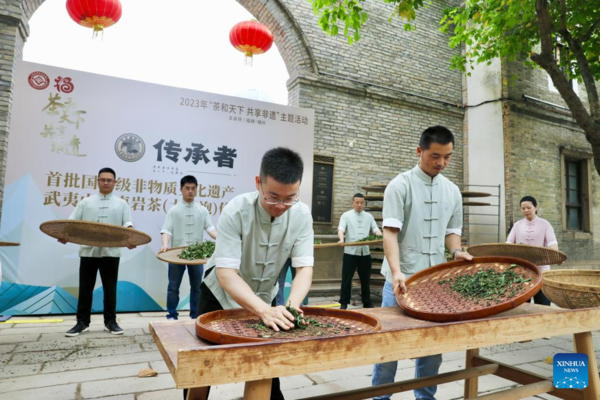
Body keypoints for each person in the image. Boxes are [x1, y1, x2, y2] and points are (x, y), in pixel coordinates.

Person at [184, 147, 314, 400]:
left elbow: (304, 268)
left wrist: (291, 306)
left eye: (289, 198)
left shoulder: (301, 215)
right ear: (258, 183)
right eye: (273, 197)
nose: (280, 205)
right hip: (218, 294)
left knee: (267, 363)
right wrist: (264, 310)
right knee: (202, 366)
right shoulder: (236, 210)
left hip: (265, 296)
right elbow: (227, 275)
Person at [372, 126, 473, 400]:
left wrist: (456, 253)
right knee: (388, 344)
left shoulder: (452, 191)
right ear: (420, 152)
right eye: (435, 156)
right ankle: (381, 397)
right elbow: (390, 232)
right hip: (400, 282)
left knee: (432, 347)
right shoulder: (400, 185)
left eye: (448, 157)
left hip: (435, 283)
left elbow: (452, 233)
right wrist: (396, 272)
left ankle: (425, 397)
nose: (441, 163)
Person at [62, 167, 135, 337]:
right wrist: (64, 235)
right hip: (88, 252)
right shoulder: (85, 202)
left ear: (115, 183)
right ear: (98, 181)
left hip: (111, 253)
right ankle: (82, 322)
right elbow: (72, 223)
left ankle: (110, 322)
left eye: (110, 180)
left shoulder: (122, 204)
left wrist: (131, 238)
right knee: (85, 289)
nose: (106, 182)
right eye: (103, 179)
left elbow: (128, 225)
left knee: (110, 289)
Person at [159, 175, 218, 320]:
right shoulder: (174, 210)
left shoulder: (202, 210)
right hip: (176, 254)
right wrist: (165, 244)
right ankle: (171, 315)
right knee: (173, 287)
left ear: (196, 190)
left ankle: (195, 316)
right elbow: (166, 230)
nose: (190, 191)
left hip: (197, 256)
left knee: (198, 287)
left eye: (193, 188)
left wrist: (223, 239)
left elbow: (211, 229)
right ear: (181, 189)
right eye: (187, 188)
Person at [506, 195, 558, 305]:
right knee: (522, 303)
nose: (526, 210)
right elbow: (509, 243)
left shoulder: (545, 224)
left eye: (528, 207)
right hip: (522, 270)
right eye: (523, 208)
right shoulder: (517, 225)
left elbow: (552, 243)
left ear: (536, 207)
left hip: (541, 269)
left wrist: (556, 255)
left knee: (543, 304)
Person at [337, 193, 382, 309]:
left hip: (365, 253)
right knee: (347, 279)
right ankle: (343, 303)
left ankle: (367, 302)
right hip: (350, 253)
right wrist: (341, 239)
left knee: (365, 279)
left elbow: (375, 229)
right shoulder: (346, 215)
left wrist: (380, 236)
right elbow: (341, 229)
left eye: (361, 203)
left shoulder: (369, 216)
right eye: (357, 202)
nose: (359, 205)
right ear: (352, 203)